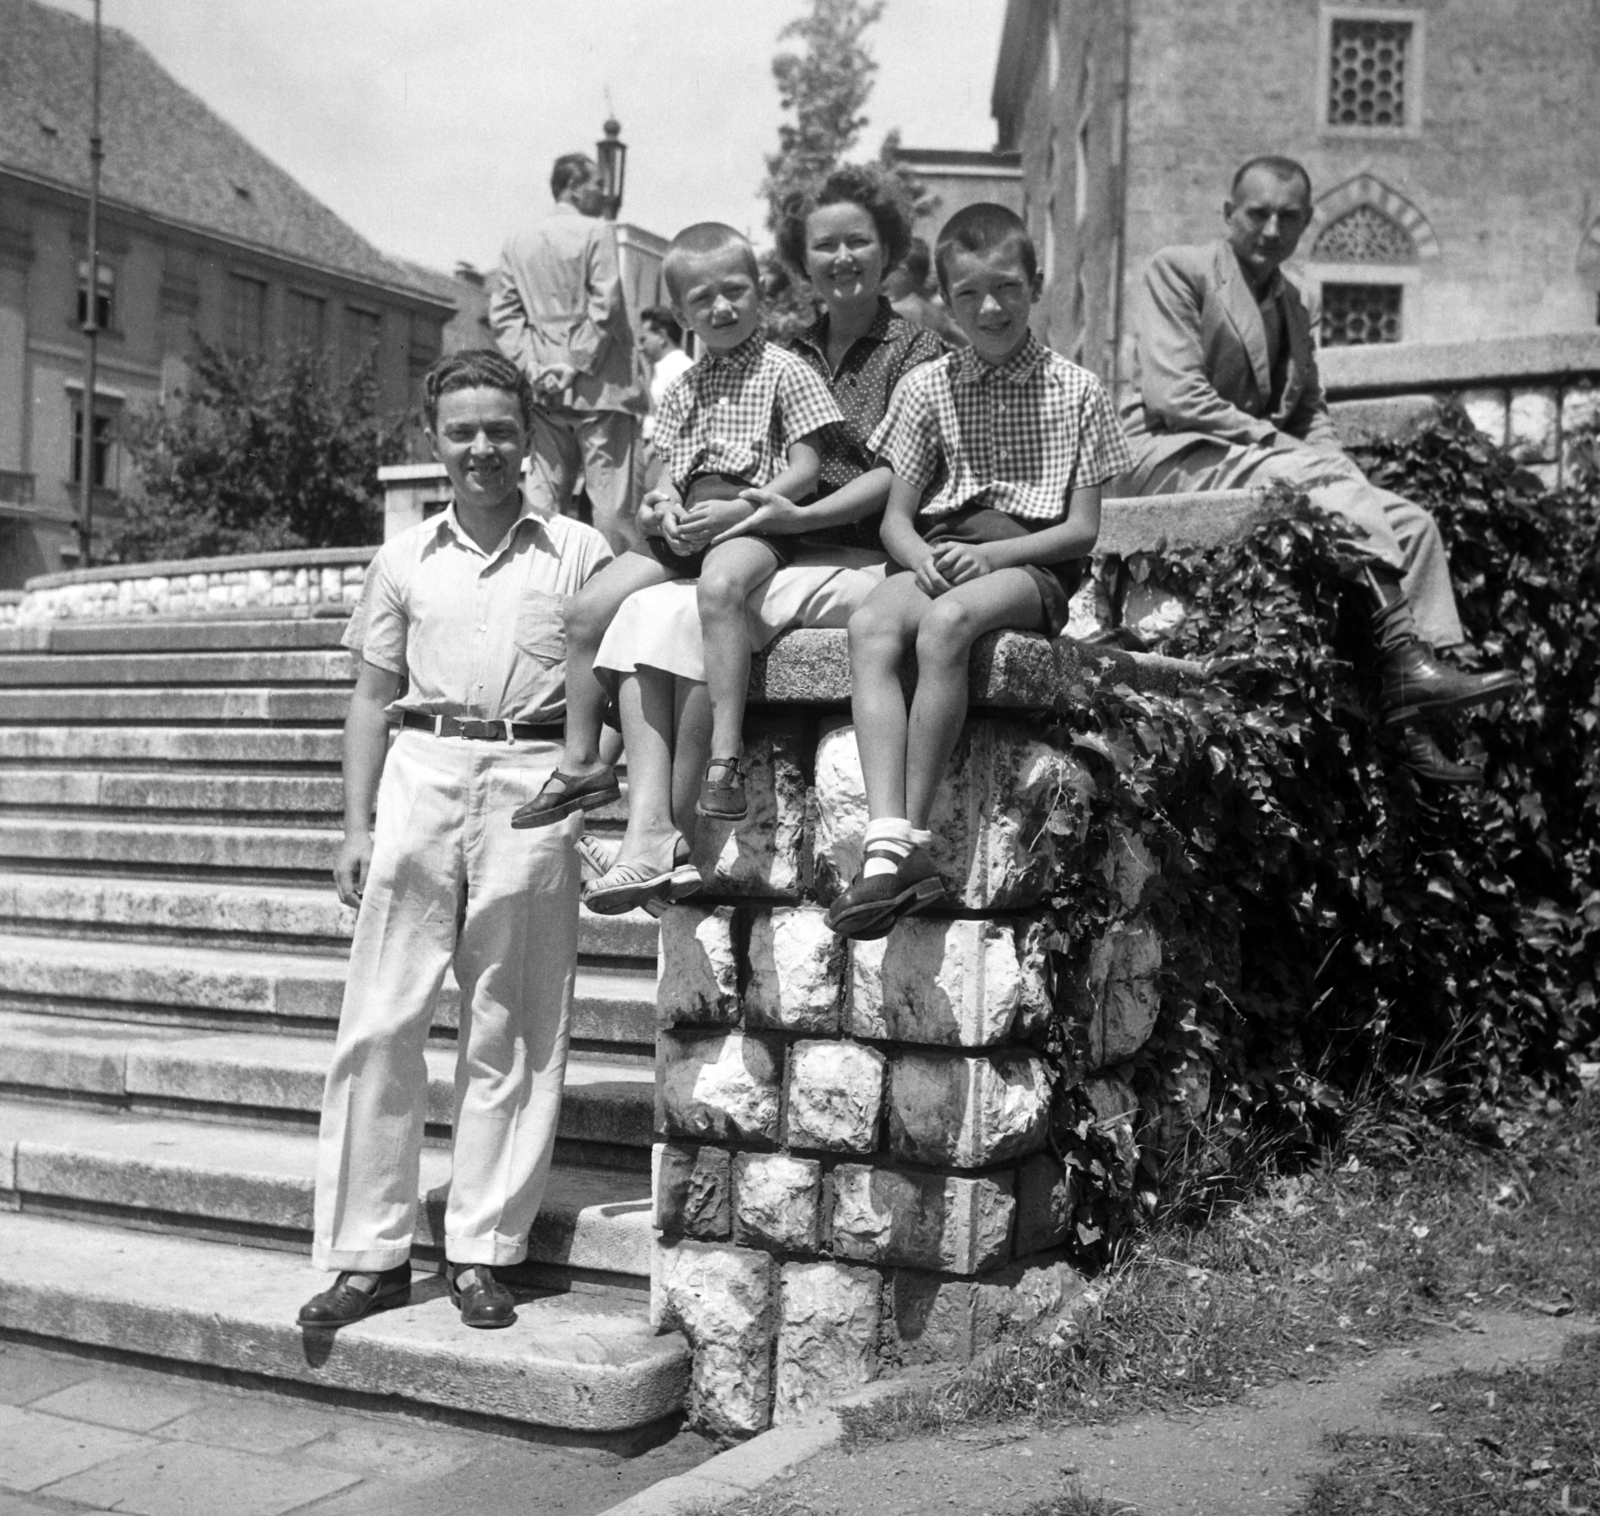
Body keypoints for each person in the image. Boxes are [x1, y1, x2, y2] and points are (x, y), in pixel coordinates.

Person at [297, 350, 611, 1333]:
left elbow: (611, 673)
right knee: (382, 1020)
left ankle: (482, 1250)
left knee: (510, 1022)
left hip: (529, 779)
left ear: (528, 438)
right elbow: (367, 696)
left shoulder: (576, 552)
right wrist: (354, 825)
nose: (482, 447)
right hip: (421, 772)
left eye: (499, 430)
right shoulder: (401, 557)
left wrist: (586, 772)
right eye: (462, 430)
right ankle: (367, 1254)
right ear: (435, 441)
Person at [574, 163, 949, 915]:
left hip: (859, 553)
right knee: (642, 611)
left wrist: (795, 517)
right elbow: (690, 458)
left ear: (889, 249)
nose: (842, 260)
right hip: (773, 544)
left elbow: (903, 471)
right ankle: (653, 836)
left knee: (687, 614)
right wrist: (672, 510)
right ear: (800, 261)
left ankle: (662, 837)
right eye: (825, 246)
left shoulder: (917, 351)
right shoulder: (788, 349)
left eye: (859, 243)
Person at [1118, 155, 1518, 784]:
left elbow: (1312, 414)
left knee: (1407, 521)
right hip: (1170, 456)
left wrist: (1347, 477)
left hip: (1252, 459)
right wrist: (1292, 452)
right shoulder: (1179, 271)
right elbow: (1175, 398)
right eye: (1258, 214)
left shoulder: (1294, 302)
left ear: (1306, 222)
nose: (1273, 229)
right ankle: (1407, 667)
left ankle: (1414, 702)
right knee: (1321, 483)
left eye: (1289, 217)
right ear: (1229, 215)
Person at [827, 203, 1132, 941]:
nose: (989, 308)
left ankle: (917, 840)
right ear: (946, 299)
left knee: (948, 625)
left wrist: (990, 557)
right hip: (945, 550)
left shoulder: (1078, 390)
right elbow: (897, 518)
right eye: (968, 295)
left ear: (1036, 284)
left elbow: (1083, 529)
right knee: (870, 624)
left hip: (1029, 564)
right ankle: (886, 841)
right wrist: (923, 557)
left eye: (1006, 289)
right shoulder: (929, 386)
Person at [509, 221, 843, 870]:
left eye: (734, 291)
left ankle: (724, 757)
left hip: (755, 520)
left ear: (759, 292)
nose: (721, 308)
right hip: (686, 522)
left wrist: (740, 510)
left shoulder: (786, 370)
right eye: (702, 300)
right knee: (582, 611)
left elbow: (806, 470)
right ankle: (582, 761)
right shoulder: (684, 386)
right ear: (683, 313)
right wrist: (659, 507)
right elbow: (662, 479)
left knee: (719, 589)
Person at [491, 152, 646, 554]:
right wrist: (575, 364)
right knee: (612, 505)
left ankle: (538, 588)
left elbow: (504, 315)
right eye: (595, 182)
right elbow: (606, 304)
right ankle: (613, 593)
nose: (602, 191)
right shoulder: (598, 231)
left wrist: (532, 367)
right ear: (574, 187)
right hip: (603, 386)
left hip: (544, 389)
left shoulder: (517, 240)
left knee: (543, 497)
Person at [884, 236, 967, 348]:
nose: (882, 276)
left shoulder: (901, 310)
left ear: (903, 271)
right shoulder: (931, 310)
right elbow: (966, 341)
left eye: (887, 269)